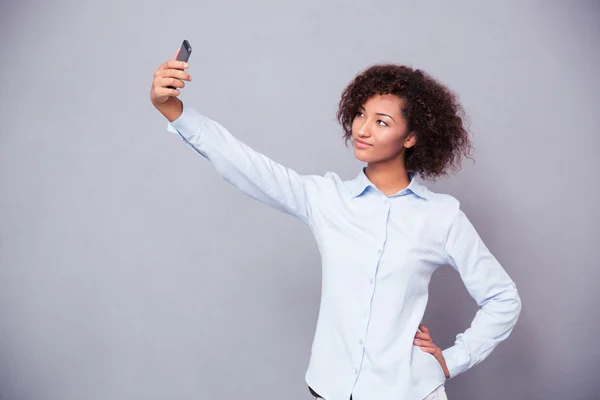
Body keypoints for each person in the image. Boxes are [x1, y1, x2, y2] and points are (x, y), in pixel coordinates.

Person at [149, 49, 522, 400]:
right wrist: (174, 110)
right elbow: (246, 165)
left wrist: (453, 360)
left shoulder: (441, 216)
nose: (363, 129)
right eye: (361, 114)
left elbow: (502, 299)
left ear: (411, 137)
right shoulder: (326, 198)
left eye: (382, 122)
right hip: (328, 388)